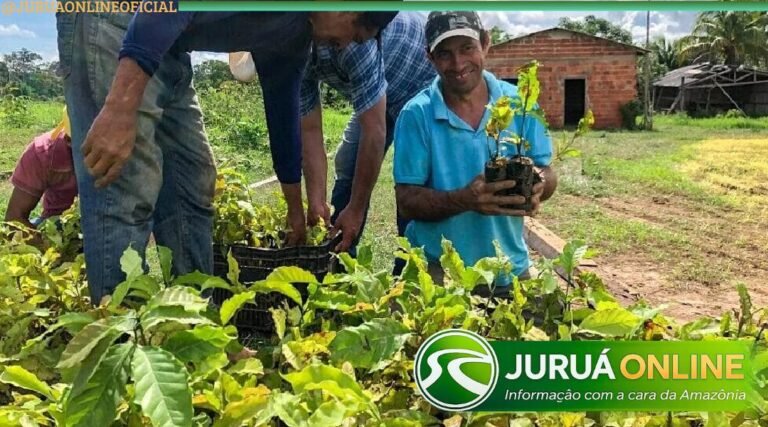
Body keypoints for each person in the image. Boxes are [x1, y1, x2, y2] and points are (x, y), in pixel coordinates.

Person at [56, 5, 398, 303]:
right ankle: (119, 343)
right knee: (123, 182)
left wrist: (296, 210)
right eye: (361, 28)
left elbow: (283, 115)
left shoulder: (296, 35)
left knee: (193, 181)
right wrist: (120, 105)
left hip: (168, 44)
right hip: (117, 19)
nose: (355, 41)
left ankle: (193, 330)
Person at [393, 11, 558, 296]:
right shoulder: (416, 114)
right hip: (438, 272)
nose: (457, 64)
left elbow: (547, 171)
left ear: (485, 43)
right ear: (429, 58)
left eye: (466, 48)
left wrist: (538, 185)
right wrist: (466, 199)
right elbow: (406, 201)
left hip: (509, 268)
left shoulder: (520, 103)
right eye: (444, 54)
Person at [300, 12, 436, 254]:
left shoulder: (358, 42)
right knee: (349, 166)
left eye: (370, 32)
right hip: (381, 92)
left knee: (413, 181)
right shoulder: (295, 49)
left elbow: (374, 131)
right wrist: (316, 200)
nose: (362, 37)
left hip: (419, 85)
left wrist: (357, 209)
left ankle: (408, 275)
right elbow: (309, 128)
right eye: (363, 30)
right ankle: (338, 258)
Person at [6, 107, 77, 229]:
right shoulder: (43, 152)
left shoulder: (118, 149)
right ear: (67, 138)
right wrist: (48, 245)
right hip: (58, 223)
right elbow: (14, 220)